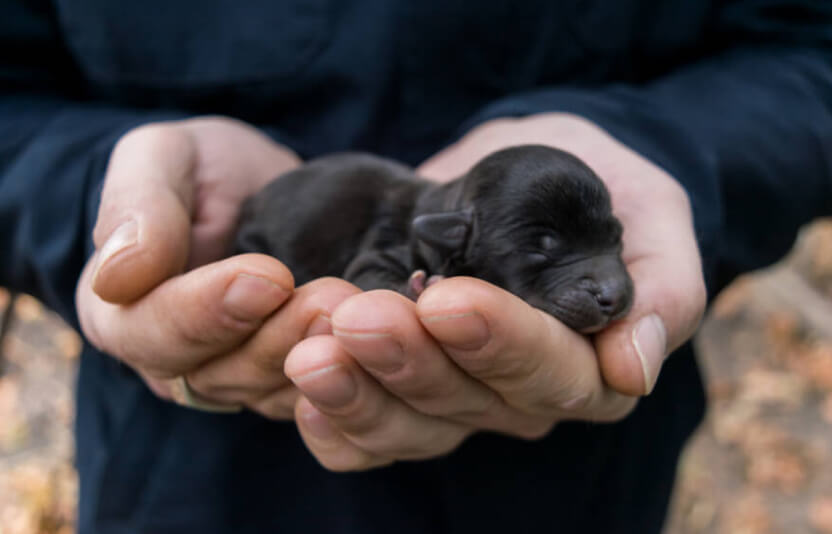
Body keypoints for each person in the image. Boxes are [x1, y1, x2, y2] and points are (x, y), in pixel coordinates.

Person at [1, 1, 830, 532]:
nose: (610, 281)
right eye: (543, 251)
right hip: (194, 483)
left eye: (604, 237)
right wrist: (100, 203)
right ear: (450, 240)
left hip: (575, 488)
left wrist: (676, 154)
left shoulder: (473, 237)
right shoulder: (411, 241)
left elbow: (808, 50)